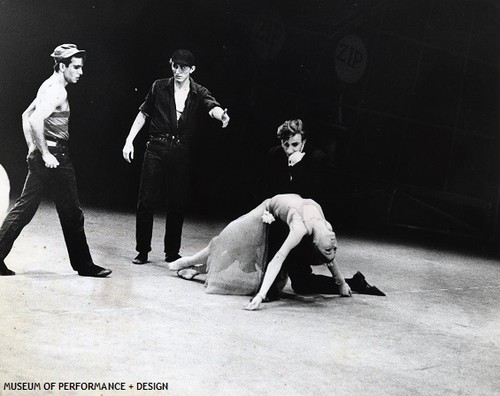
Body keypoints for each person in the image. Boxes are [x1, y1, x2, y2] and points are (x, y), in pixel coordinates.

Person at [0, 44, 112, 277]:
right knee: (71, 213)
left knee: (24, 209)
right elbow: (35, 119)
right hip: (56, 158)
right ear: (62, 66)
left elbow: (26, 115)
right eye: (76, 67)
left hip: (47, 157)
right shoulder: (57, 91)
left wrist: (33, 148)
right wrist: (45, 153)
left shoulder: (48, 85)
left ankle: (84, 265)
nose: (80, 72)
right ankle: (85, 265)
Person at [166, 193, 383, 311]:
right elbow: (277, 260)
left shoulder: (325, 226)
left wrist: (341, 282)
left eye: (332, 247)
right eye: (328, 248)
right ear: (314, 240)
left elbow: (330, 254)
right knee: (230, 241)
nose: (332, 249)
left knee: (252, 260)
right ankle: (189, 262)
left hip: (283, 222)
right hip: (267, 211)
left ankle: (196, 271)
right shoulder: (301, 228)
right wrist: (260, 296)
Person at [122, 49, 230, 265]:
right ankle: (142, 251)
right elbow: (143, 113)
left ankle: (172, 252)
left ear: (192, 69)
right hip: (156, 147)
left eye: (183, 67)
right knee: (146, 201)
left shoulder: (198, 92)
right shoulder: (159, 86)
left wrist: (222, 115)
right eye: (175, 66)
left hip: (180, 151)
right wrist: (129, 140)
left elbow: (212, 106)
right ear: (171, 64)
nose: (178, 71)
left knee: (177, 202)